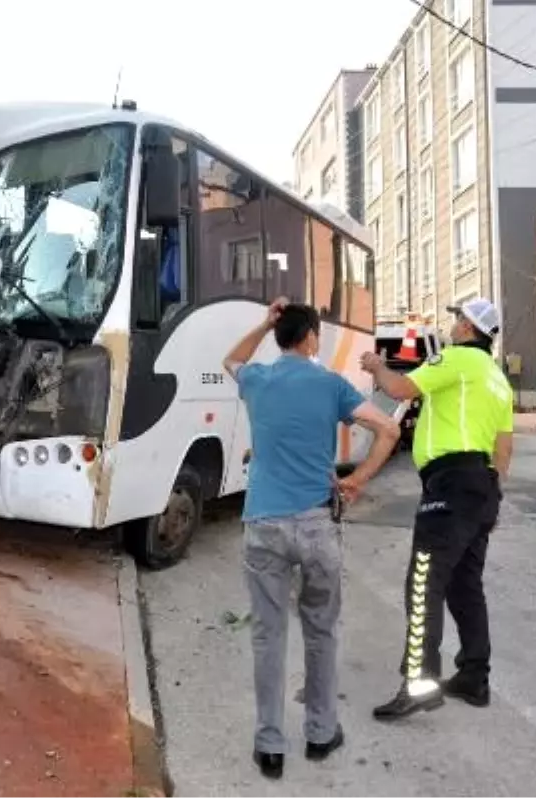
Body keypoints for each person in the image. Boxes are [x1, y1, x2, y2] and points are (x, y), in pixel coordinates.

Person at [223, 298, 400, 779]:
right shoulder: (331, 384)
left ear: (282, 336)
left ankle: (270, 745)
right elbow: (388, 427)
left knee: (268, 634)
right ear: (312, 338)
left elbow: (231, 360)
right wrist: (359, 479)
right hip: (318, 524)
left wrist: (263, 322)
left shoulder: (257, 380)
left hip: (263, 524)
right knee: (321, 630)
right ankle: (321, 734)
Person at [358, 298, 513, 720]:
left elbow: (400, 389)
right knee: (465, 586)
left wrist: (377, 366)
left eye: (458, 318)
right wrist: (493, 497)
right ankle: (473, 677)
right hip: (481, 486)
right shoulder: (497, 378)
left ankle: (420, 683)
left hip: (451, 484)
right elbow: (504, 446)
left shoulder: (457, 358)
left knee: (424, 583)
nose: (453, 324)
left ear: (469, 327)